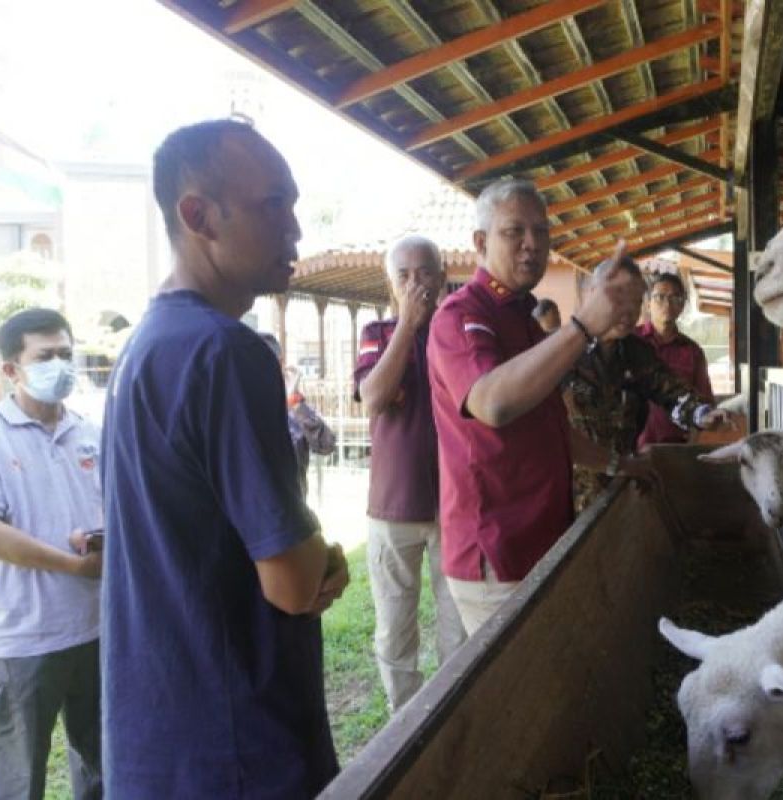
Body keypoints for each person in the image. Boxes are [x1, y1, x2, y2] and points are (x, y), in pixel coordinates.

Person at [101, 119, 349, 798]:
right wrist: (322, 551)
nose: (295, 228)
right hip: (238, 748)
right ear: (198, 215)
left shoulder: (148, 346)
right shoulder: (224, 352)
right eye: (274, 204)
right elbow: (295, 583)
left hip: (161, 743)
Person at [428, 176, 650, 636]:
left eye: (541, 232)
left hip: (542, 536)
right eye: (515, 232)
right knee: (519, 697)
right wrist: (582, 326)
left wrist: (617, 462)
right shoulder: (462, 314)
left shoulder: (523, 319)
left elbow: (551, 427)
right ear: (480, 242)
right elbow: (492, 403)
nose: (532, 245)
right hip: (498, 548)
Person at [0, 308, 103, 800]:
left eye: (67, 355)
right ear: (11, 369)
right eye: (45, 356)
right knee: (14, 784)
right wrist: (73, 564)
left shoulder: (89, 431)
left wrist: (97, 540)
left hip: (94, 629)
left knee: (104, 772)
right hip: (17, 642)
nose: (61, 366)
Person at [353, 235, 466, 713]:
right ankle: (405, 720)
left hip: (454, 506)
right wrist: (407, 327)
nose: (416, 283)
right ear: (390, 283)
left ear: (442, 278)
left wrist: (430, 324)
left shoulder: (458, 333)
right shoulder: (377, 333)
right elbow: (373, 399)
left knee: (456, 627)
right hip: (392, 507)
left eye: (425, 273)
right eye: (404, 275)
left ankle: (450, 716)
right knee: (395, 629)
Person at [563, 259, 737, 512]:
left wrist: (702, 413)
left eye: (636, 301)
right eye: (619, 297)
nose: (628, 309)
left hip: (624, 481)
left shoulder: (637, 352)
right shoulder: (563, 349)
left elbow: (671, 391)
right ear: (593, 295)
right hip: (569, 488)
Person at [636, 272, 716, 448]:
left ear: (682, 306)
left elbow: (704, 401)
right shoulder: (632, 342)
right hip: (633, 450)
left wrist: (690, 447)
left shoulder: (692, 352)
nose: (667, 304)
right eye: (660, 297)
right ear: (648, 303)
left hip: (676, 448)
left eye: (675, 298)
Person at [258, 332, 337, 495]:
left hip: (292, 509)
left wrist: (294, 401)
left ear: (281, 365)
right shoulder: (239, 404)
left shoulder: (296, 405)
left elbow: (326, 445)